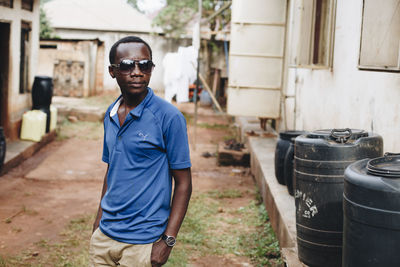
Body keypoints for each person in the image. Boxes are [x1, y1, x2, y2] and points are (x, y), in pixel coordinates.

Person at [90, 36, 192, 267]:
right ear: (112, 71)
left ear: (151, 69)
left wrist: (168, 240)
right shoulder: (111, 114)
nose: (137, 72)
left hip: (143, 242)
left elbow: (184, 183)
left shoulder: (169, 117)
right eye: (127, 65)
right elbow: (112, 171)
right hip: (105, 238)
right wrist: (98, 223)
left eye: (144, 65)